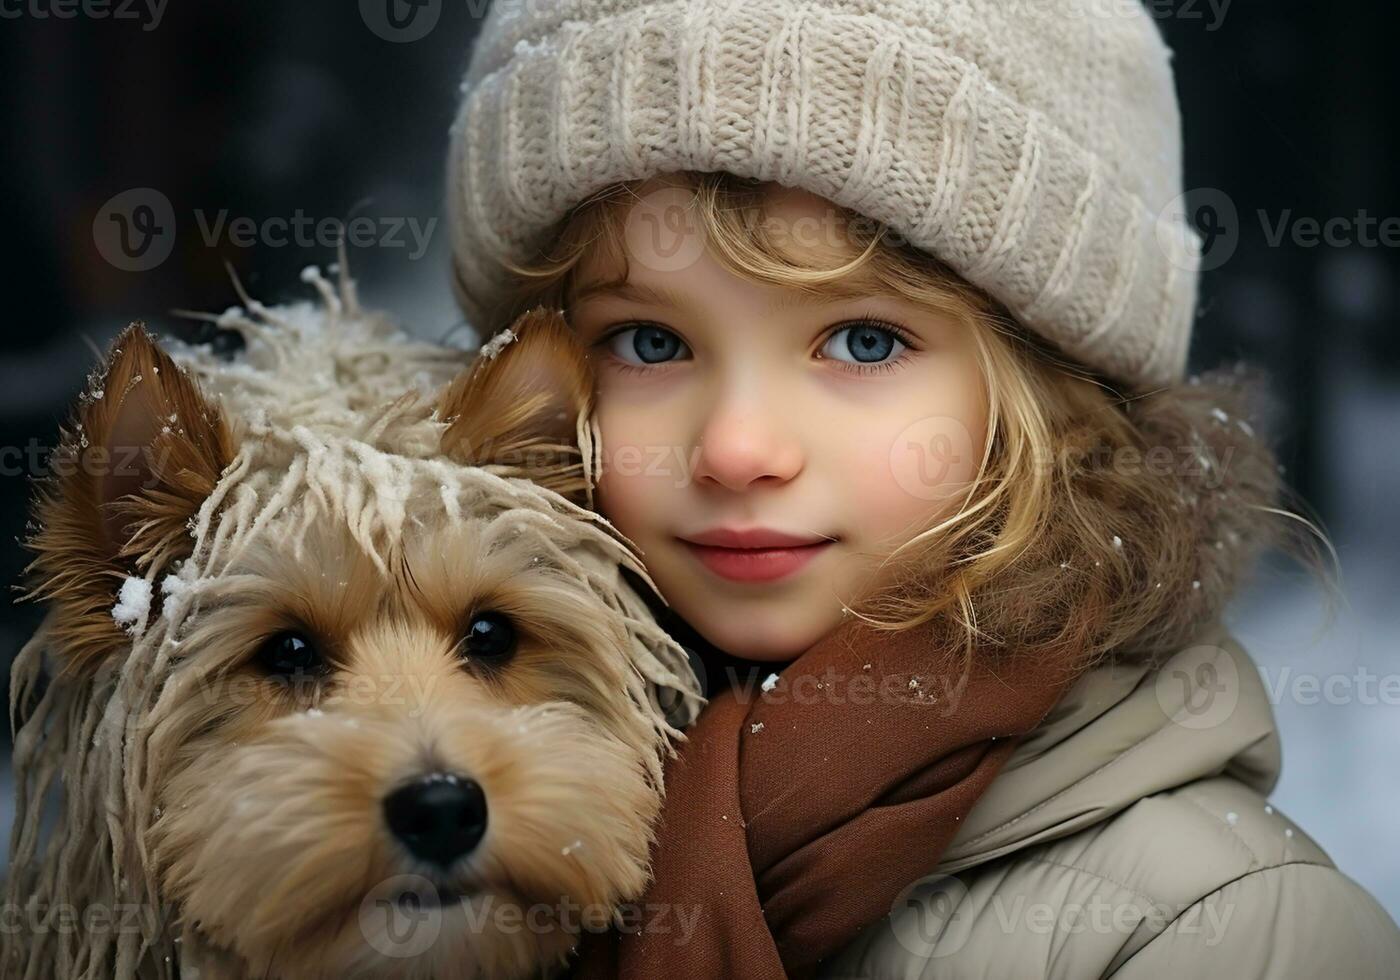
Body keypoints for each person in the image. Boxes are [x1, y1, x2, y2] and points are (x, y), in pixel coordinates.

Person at [445, 1, 1400, 975]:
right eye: (650, 342)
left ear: (1057, 395)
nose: (735, 450)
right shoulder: (437, 858)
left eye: (863, 341)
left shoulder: (1224, 931)